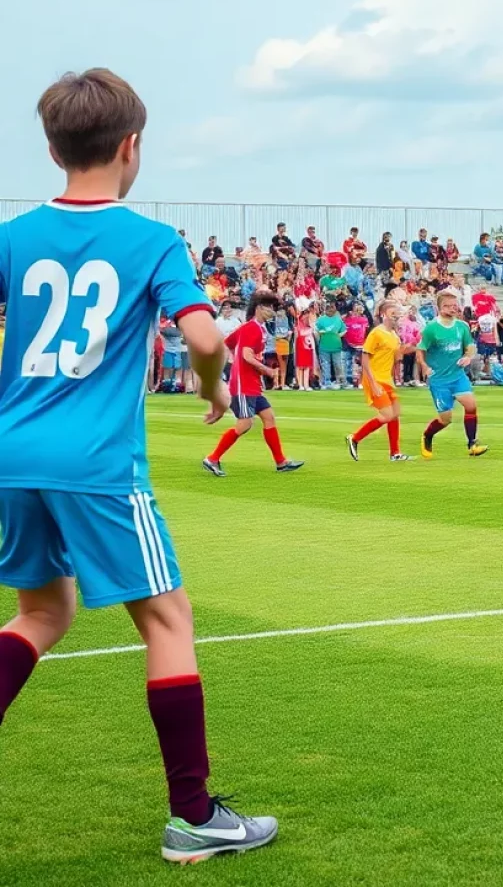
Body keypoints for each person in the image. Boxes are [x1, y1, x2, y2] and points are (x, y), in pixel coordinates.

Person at [0, 68, 277, 862]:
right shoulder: (151, 240)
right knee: (168, 619)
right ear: (132, 146)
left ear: (54, 148)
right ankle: (193, 817)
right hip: (95, 466)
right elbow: (203, 337)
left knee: (41, 615)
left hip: (12, 456)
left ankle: (196, 815)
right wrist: (216, 390)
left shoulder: (13, 237)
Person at [204, 291, 304, 476]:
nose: (273, 311)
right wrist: (265, 370)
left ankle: (281, 462)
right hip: (244, 385)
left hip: (250, 384)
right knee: (245, 424)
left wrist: (234, 365)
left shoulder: (251, 327)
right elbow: (246, 355)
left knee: (269, 417)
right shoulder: (254, 328)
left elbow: (229, 343)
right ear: (259, 308)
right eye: (270, 307)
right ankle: (212, 458)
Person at [417, 290, 489, 458]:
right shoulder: (431, 328)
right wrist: (424, 366)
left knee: (471, 406)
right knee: (445, 419)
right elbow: (420, 350)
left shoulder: (462, 326)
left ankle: (472, 444)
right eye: (447, 306)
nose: (452, 309)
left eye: (454, 305)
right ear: (439, 307)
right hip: (439, 380)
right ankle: (427, 435)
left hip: (457, 376)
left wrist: (468, 356)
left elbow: (469, 346)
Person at [345, 301, 411, 462]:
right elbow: (365, 357)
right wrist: (373, 383)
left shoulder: (394, 335)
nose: (395, 314)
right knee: (387, 415)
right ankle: (355, 438)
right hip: (375, 378)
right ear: (383, 314)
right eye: (392, 311)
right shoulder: (376, 333)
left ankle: (395, 453)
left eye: (397, 312)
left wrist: (413, 346)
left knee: (394, 414)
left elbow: (396, 356)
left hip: (386, 379)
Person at [316, 300, 345, 389]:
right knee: (325, 364)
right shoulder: (321, 319)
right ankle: (326, 382)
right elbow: (316, 329)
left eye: (332, 307)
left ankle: (340, 382)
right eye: (329, 308)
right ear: (326, 309)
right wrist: (320, 332)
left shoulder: (338, 319)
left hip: (336, 346)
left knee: (338, 364)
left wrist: (338, 335)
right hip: (324, 346)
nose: (331, 309)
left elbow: (344, 330)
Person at [293, 303, 317, 391]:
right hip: (300, 348)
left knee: (307, 367)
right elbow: (296, 337)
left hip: (308, 348)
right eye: (305, 316)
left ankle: (306, 385)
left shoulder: (310, 327)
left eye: (308, 317)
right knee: (300, 367)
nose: (306, 318)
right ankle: (300, 385)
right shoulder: (298, 326)